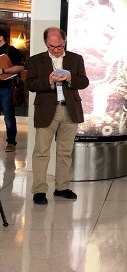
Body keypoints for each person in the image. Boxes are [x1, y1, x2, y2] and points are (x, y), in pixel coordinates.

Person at [25, 27, 90, 205]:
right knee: (41, 152)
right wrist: (49, 81)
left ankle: (62, 187)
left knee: (65, 152)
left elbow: (84, 81)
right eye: (52, 46)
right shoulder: (35, 60)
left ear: (65, 42)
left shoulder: (75, 59)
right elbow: (30, 84)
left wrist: (70, 78)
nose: (56, 50)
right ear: (46, 43)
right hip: (46, 110)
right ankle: (39, 190)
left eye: (59, 46)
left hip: (70, 110)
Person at [0, 28, 25, 152]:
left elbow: (20, 67)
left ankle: (11, 142)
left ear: (1, 37)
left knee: (8, 117)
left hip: (6, 88)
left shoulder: (11, 50)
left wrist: (3, 71)